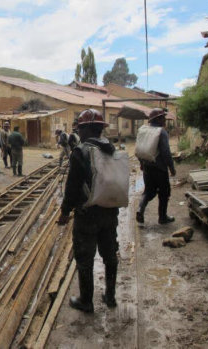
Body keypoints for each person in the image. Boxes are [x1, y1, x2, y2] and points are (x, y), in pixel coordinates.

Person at [58, 109, 119, 313]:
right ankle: (110, 297)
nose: (79, 132)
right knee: (110, 255)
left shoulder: (80, 151)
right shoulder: (112, 149)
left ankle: (86, 301)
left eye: (80, 128)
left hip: (87, 215)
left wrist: (65, 212)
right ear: (101, 129)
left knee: (85, 258)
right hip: (110, 211)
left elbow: (72, 187)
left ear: (84, 130)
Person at [136, 108, 176, 224]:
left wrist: (142, 164)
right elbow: (166, 153)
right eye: (163, 117)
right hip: (160, 169)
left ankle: (140, 209)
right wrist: (171, 168)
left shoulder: (143, 130)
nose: (164, 119)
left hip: (147, 167)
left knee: (148, 191)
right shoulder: (161, 132)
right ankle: (162, 217)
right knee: (164, 192)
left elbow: (140, 148)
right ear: (158, 119)